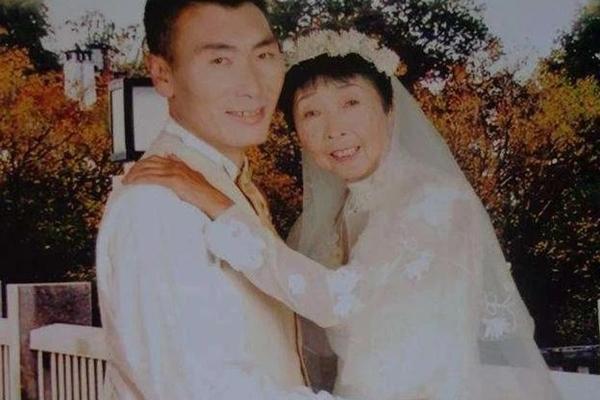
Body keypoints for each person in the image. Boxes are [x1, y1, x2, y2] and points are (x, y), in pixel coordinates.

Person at [124, 29, 564, 400]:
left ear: (389, 110)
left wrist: (216, 204)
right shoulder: (340, 212)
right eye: (311, 112)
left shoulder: (434, 201)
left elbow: (336, 302)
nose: (334, 129)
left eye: (350, 103)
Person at [96, 1, 346, 399]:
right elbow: (202, 389)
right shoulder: (158, 205)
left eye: (264, 56)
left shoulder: (221, 182)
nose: (253, 85)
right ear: (162, 74)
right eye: (220, 61)